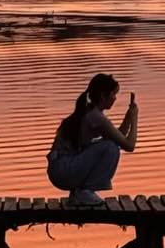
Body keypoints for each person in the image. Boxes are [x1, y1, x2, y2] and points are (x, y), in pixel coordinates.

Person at [47, 73, 138, 205]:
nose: (115, 98)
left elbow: (118, 138)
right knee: (111, 148)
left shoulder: (89, 111)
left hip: (60, 169)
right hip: (63, 171)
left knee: (110, 144)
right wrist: (135, 119)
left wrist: (129, 117)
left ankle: (78, 193)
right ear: (103, 96)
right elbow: (129, 145)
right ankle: (86, 191)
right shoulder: (96, 117)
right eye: (113, 94)